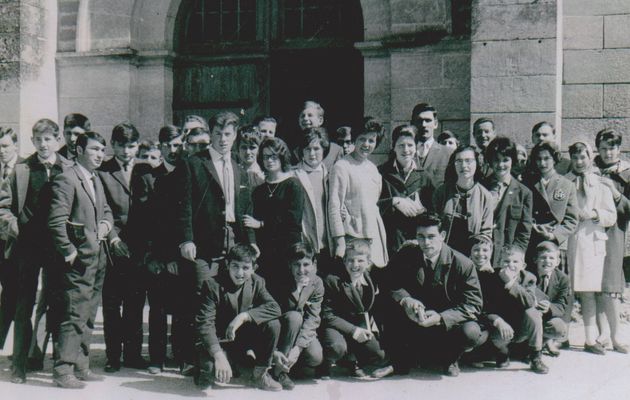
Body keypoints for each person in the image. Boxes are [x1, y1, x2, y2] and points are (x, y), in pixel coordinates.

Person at [173, 111, 256, 373]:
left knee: (228, 297)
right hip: (203, 243)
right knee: (200, 296)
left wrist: (251, 241)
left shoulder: (239, 167)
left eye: (228, 134)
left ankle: (222, 356)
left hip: (233, 239)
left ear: (235, 136)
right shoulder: (194, 163)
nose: (222, 139)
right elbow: (183, 205)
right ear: (211, 135)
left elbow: (245, 208)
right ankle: (191, 358)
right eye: (218, 134)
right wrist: (187, 239)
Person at [0, 119, 73, 383]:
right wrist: (13, 226)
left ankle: (60, 366)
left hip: (56, 248)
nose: (43, 145)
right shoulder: (21, 169)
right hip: (27, 248)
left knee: (58, 306)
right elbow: (3, 207)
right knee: (23, 307)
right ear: (32, 141)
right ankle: (18, 366)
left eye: (48, 139)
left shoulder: (68, 168)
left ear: (57, 140)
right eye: (38, 139)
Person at [374, 213, 486, 378]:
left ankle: (450, 359)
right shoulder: (407, 254)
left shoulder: (463, 264)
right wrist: (406, 300)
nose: (426, 243)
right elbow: (388, 282)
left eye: (431, 237)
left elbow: (473, 305)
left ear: (442, 236)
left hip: (445, 327)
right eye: (421, 236)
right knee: (380, 303)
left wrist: (441, 318)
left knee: (471, 331)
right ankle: (398, 358)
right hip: (412, 321)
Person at [48, 131, 113, 388]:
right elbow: (55, 221)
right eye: (94, 149)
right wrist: (68, 251)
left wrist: (106, 225)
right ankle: (63, 371)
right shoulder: (67, 178)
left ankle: (81, 366)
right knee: (73, 313)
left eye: (102, 150)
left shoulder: (95, 179)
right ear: (78, 150)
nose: (99, 155)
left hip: (97, 259)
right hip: (77, 262)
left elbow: (105, 210)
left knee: (88, 314)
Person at [128, 125, 185, 374]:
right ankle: (157, 358)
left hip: (183, 253)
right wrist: (154, 256)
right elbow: (143, 222)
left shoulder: (188, 172)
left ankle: (183, 355)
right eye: (168, 146)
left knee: (184, 307)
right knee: (158, 308)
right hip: (157, 256)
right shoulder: (148, 178)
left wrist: (176, 255)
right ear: (160, 148)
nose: (173, 150)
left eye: (177, 145)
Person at [195, 244, 282, 391]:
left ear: (254, 268)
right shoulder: (212, 285)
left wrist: (244, 316)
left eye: (246, 268)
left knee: (273, 324)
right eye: (235, 266)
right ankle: (208, 369)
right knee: (210, 370)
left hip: (242, 339)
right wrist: (218, 355)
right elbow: (205, 324)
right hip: (219, 340)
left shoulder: (257, 282)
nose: (240, 273)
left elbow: (275, 308)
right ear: (227, 265)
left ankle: (260, 374)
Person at [97, 122, 146, 373]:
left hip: (139, 248)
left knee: (135, 303)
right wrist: (114, 239)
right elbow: (102, 209)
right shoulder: (103, 171)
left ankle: (134, 354)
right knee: (112, 304)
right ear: (113, 145)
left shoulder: (145, 169)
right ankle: (113, 356)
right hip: (112, 247)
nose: (127, 151)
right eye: (121, 146)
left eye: (132, 146)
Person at [565, 141, 618, 355]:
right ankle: (561, 336)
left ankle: (589, 338)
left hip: (592, 241)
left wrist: (595, 214)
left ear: (590, 157)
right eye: (575, 158)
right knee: (567, 291)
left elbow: (611, 216)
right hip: (570, 241)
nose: (579, 162)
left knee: (588, 292)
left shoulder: (601, 183)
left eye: (583, 157)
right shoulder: (565, 182)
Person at [320, 239, 390, 378]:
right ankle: (325, 364)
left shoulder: (371, 279)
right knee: (337, 347)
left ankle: (351, 359)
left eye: (360, 261)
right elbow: (327, 315)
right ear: (344, 261)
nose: (355, 265)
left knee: (378, 354)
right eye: (350, 260)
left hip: (358, 325)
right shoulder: (333, 281)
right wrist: (354, 331)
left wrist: (374, 332)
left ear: (369, 263)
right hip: (335, 326)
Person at [329, 117, 388, 268]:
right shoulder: (342, 166)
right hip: (352, 238)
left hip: (373, 236)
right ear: (355, 140)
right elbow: (334, 206)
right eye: (362, 139)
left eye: (371, 140)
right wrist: (340, 241)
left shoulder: (373, 169)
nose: (366, 144)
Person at [244, 137, 303, 286]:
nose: (269, 160)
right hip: (265, 250)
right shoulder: (259, 190)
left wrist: (262, 224)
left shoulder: (293, 185)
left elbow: (293, 219)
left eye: (273, 156)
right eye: (265, 157)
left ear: (282, 157)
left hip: (287, 248)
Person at [483, 246, 549, 374]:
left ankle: (536, 356)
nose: (510, 265)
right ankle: (502, 352)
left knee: (533, 313)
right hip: (501, 327)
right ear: (500, 263)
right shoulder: (491, 278)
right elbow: (486, 307)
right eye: (506, 261)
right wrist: (498, 321)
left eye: (515, 262)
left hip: (521, 325)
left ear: (523, 265)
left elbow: (529, 302)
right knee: (499, 338)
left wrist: (511, 284)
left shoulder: (529, 278)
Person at [592, 128, 630, 353]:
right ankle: (601, 335)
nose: (608, 153)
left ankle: (616, 335)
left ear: (619, 148)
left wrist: (615, 194)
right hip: (590, 231)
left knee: (612, 285)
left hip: (614, 232)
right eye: (604, 148)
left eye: (613, 147)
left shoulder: (626, 173)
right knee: (594, 284)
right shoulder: (589, 169)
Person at [272, 242, 324, 389]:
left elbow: (313, 318)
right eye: (296, 265)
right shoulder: (280, 281)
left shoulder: (317, 283)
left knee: (315, 357)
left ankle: (291, 365)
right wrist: (297, 288)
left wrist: (299, 348)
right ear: (289, 265)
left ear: (313, 264)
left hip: (301, 332)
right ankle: (278, 371)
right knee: (294, 317)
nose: (301, 270)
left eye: (306, 264)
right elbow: (275, 315)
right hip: (282, 330)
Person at [524, 141, 578, 274]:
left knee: (554, 284)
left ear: (554, 159)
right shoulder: (528, 183)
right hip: (532, 241)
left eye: (547, 158)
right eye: (538, 159)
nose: (542, 163)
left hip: (554, 243)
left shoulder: (567, 185)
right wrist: (532, 226)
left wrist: (553, 235)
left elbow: (571, 220)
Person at [378, 124, 433, 254]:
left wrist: (423, 210)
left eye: (410, 145)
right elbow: (370, 205)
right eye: (401, 145)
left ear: (416, 147)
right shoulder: (380, 173)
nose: (406, 149)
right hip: (388, 242)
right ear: (394, 147)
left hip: (416, 243)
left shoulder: (424, 176)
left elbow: (433, 212)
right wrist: (393, 201)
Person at [433, 145, 494, 256]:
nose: (463, 165)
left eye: (468, 161)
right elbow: (434, 225)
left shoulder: (485, 196)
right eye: (459, 161)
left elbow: (486, 233)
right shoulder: (441, 192)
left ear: (477, 163)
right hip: (444, 253)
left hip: (472, 257)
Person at [481, 137, 533, 267]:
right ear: (490, 161)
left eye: (505, 160)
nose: (500, 165)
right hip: (483, 254)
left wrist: (516, 257)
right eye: (496, 160)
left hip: (508, 257)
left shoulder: (524, 193)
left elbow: (524, 232)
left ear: (512, 161)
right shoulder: (480, 188)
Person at [292, 128, 333, 275]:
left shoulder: (331, 174)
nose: (312, 153)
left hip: (327, 242)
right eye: (307, 149)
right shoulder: (293, 174)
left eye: (316, 148)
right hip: (305, 240)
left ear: (324, 150)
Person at [0, 126, 23, 350]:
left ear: (16, 145)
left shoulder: (25, 168)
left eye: (5, 146)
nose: (1, 151)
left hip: (13, 242)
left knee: (12, 292)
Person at [534, 241, 570, 356]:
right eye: (543, 257)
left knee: (559, 328)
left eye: (551, 258)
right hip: (529, 318)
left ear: (557, 262)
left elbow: (561, 305)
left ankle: (545, 341)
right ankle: (531, 346)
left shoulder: (563, 279)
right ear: (535, 259)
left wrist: (549, 307)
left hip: (547, 316)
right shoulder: (528, 275)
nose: (547, 261)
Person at [410, 103, 453, 187]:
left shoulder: (448, 153)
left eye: (428, 120)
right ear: (412, 124)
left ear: (435, 124)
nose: (423, 125)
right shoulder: (404, 152)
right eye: (419, 120)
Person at [292, 101, 343, 171]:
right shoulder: (294, 150)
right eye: (302, 116)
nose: (305, 118)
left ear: (320, 120)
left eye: (310, 115)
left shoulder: (335, 151)